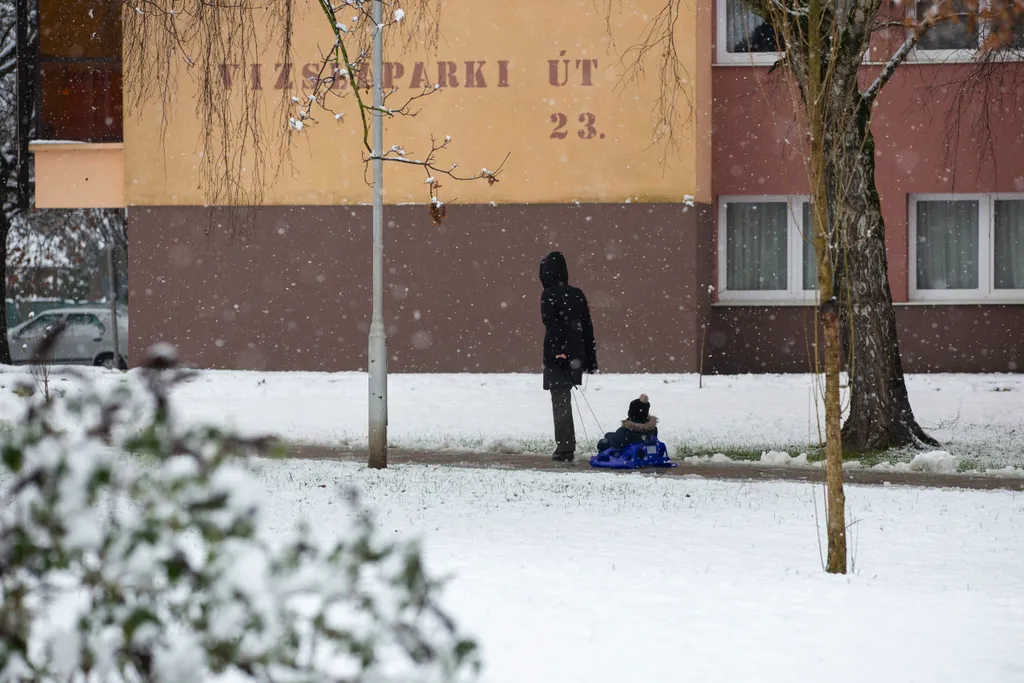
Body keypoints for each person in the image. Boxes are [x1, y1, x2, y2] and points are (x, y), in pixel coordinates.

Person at [539, 251, 597, 462]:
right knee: (564, 399)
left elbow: (552, 325)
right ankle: (566, 445)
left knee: (560, 400)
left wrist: (557, 353)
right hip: (577, 355)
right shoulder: (578, 293)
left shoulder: (548, 295)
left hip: (559, 356)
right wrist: (590, 359)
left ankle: (564, 448)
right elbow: (587, 327)